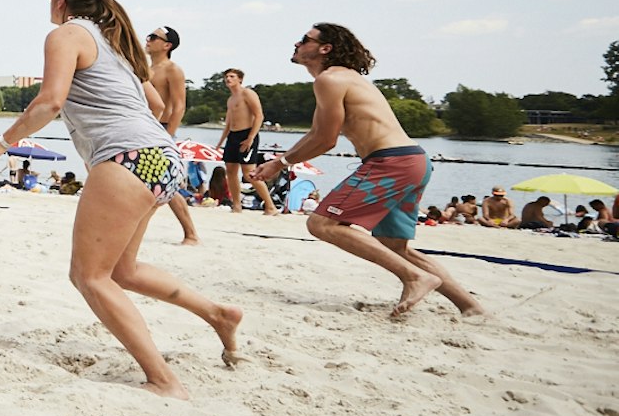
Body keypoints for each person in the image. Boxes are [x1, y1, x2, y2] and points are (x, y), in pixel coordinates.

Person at [0, 0, 243, 400]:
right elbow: (156, 105)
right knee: (121, 272)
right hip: (162, 156)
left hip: (127, 158)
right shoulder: (117, 42)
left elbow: (50, 102)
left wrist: (2, 143)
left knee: (89, 277)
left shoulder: (67, 35)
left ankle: (164, 381)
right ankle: (217, 314)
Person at [251, 24, 482, 320]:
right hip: (413, 160)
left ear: (325, 48)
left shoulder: (330, 79)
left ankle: (414, 277)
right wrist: (281, 160)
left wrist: (280, 163)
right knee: (394, 246)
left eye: (305, 39)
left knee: (322, 224)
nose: (297, 43)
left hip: (391, 162)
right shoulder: (342, 79)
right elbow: (317, 134)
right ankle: (469, 306)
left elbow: (326, 140)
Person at [145, 26, 201, 244]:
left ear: (167, 45)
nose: (148, 39)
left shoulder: (172, 70)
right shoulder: (146, 68)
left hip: (162, 129)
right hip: (144, 126)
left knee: (166, 182)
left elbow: (179, 106)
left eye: (153, 37)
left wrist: (168, 136)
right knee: (149, 181)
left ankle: (191, 233)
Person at [215, 69, 279, 215]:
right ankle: (237, 205)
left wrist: (250, 137)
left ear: (240, 79)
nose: (228, 79)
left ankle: (270, 206)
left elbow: (259, 115)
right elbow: (228, 123)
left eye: (232, 76)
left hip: (247, 133)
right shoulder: (230, 99)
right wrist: (220, 142)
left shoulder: (248, 93)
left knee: (249, 173)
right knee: (230, 171)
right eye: (226, 77)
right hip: (233, 136)